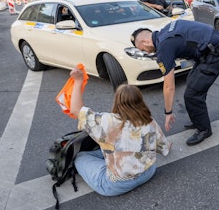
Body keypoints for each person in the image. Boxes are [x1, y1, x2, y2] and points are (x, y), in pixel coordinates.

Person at [131, 19, 219, 146]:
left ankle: (204, 130)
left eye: (142, 49)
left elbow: (169, 86)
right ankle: (198, 120)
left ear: (145, 41)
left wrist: (168, 112)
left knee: (192, 94)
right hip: (211, 49)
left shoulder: (164, 47)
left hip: (216, 53)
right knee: (192, 83)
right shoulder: (166, 31)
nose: (144, 52)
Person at [69, 66, 170, 197]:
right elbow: (163, 146)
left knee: (80, 157)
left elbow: (76, 110)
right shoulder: (148, 119)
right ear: (140, 100)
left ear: (117, 101)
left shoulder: (107, 122)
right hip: (148, 172)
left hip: (118, 184)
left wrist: (78, 81)